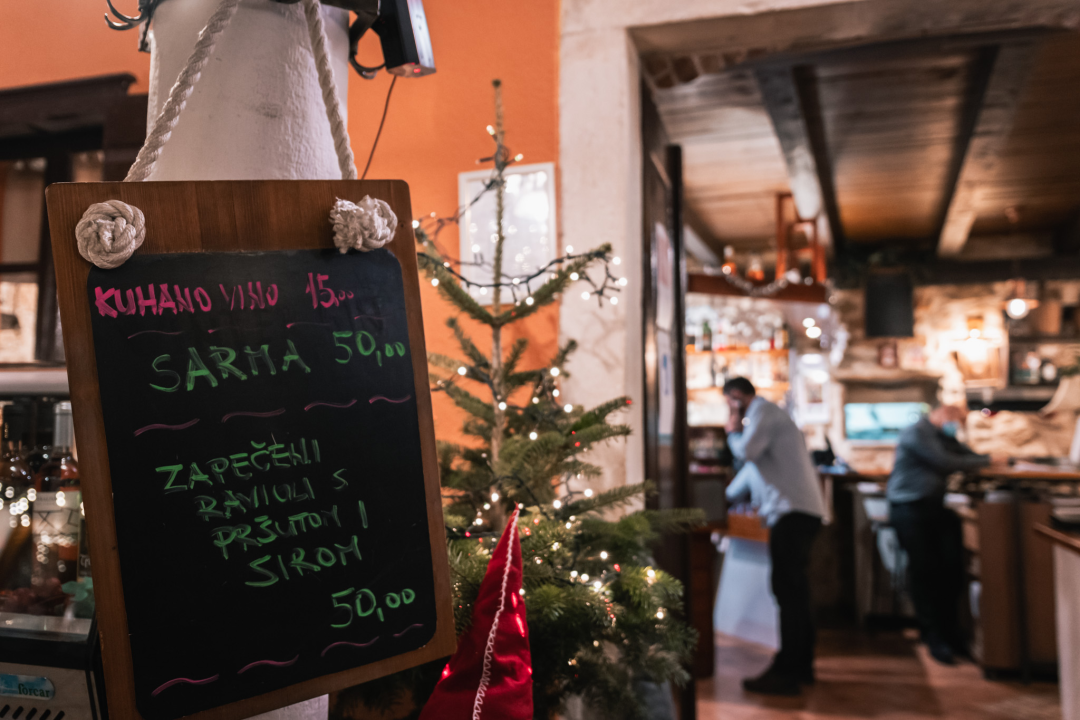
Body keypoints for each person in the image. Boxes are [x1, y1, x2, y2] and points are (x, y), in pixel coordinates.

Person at [723, 377, 828, 696]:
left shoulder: (762, 414)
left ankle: (787, 672)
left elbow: (748, 452)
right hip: (799, 512)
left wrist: (731, 432)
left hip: (791, 513)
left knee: (788, 592)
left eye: (729, 402)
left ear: (737, 397)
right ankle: (802, 666)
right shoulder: (770, 415)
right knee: (795, 593)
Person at [887, 404, 1007, 665]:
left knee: (950, 570)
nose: (957, 426)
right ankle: (933, 637)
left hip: (932, 507)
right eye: (956, 420)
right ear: (943, 412)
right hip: (909, 508)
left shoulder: (942, 435)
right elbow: (945, 462)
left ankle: (951, 635)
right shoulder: (917, 433)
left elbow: (964, 454)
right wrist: (989, 460)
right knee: (925, 571)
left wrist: (989, 457)